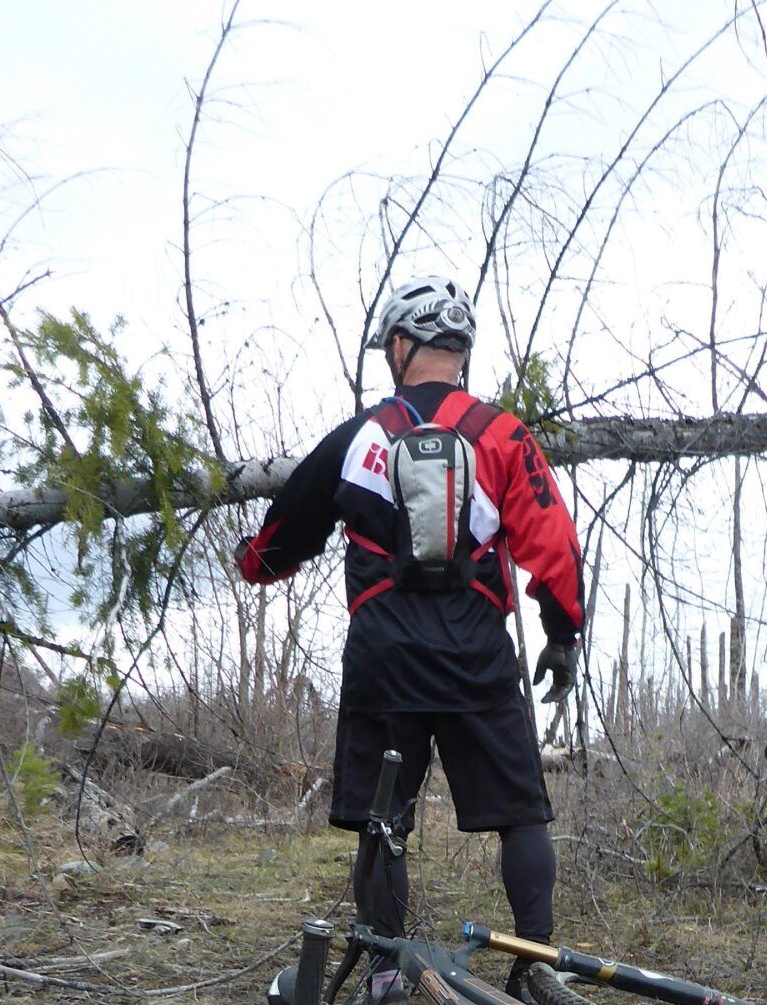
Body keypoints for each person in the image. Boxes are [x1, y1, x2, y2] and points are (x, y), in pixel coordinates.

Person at [237, 277, 584, 963]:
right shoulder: (504, 435)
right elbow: (556, 545)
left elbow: (284, 533)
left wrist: (253, 564)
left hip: (385, 658)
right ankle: (539, 967)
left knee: (382, 821)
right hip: (478, 656)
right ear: (459, 350)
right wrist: (562, 633)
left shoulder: (362, 434)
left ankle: (385, 975)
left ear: (401, 345)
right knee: (521, 814)